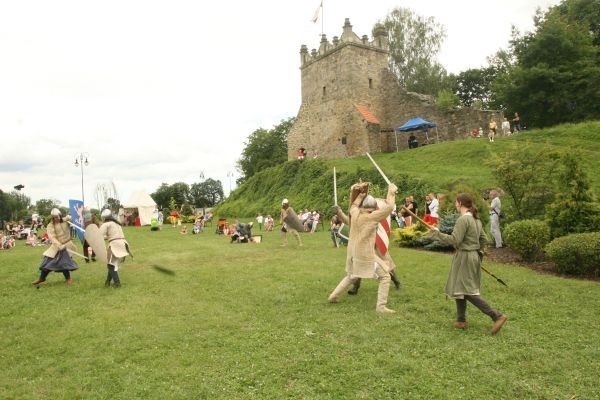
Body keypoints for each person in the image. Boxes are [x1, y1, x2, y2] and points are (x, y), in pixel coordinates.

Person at [426, 193, 508, 334]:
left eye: (456, 202)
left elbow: (455, 240)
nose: (456, 205)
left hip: (465, 257)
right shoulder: (476, 220)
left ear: (460, 203)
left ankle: (497, 316)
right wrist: (476, 252)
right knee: (460, 287)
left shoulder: (463, 220)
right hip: (472, 256)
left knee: (467, 291)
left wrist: (436, 233)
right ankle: (461, 320)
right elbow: (483, 239)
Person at [328, 182, 398, 313]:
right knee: (385, 276)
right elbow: (389, 208)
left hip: (353, 253)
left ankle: (333, 296)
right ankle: (381, 306)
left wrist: (360, 196)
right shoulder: (372, 217)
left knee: (351, 276)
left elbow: (354, 205)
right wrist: (391, 191)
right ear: (373, 208)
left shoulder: (354, 213)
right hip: (366, 255)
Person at [32, 208, 79, 285]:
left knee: (64, 261)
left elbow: (76, 221)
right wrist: (59, 245)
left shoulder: (66, 220)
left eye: (57, 217)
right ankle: (42, 278)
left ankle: (68, 279)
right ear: (52, 218)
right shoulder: (50, 225)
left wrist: (71, 218)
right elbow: (52, 237)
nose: (56, 219)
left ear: (60, 215)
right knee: (47, 261)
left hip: (67, 245)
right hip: (56, 245)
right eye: (54, 217)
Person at [99, 208, 133, 288]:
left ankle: (117, 283)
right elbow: (112, 236)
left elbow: (99, 236)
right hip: (122, 244)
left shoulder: (106, 224)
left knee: (111, 266)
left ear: (104, 217)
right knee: (112, 264)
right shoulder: (116, 224)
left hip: (115, 245)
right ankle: (107, 282)